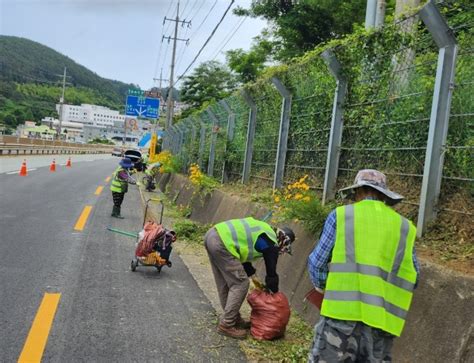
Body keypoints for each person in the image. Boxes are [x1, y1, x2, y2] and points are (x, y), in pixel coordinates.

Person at [307, 169, 420, 362]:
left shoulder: (342, 216)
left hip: (340, 318)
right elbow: (414, 277)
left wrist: (324, 286)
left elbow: (317, 263)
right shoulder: (405, 227)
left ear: (358, 192)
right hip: (382, 324)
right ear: (384, 196)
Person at [204, 217, 295, 339]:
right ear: (284, 242)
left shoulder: (265, 231)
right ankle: (227, 324)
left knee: (226, 282)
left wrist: (253, 274)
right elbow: (271, 274)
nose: (282, 252)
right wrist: (273, 292)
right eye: (283, 249)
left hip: (212, 235)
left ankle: (233, 319)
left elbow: (242, 254)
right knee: (240, 283)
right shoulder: (272, 243)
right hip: (221, 243)